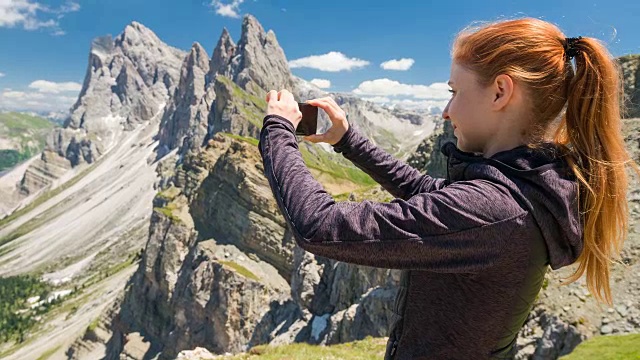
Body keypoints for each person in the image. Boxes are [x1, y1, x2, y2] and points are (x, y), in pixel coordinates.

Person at [258, 17, 640, 359]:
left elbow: (318, 225)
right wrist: (348, 140)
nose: (446, 111)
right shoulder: (527, 187)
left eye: (454, 91)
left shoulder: (493, 211)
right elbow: (429, 194)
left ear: (500, 92)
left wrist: (277, 129)